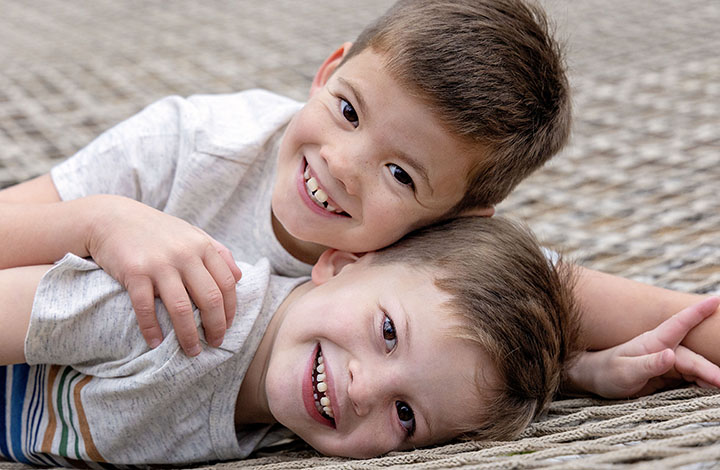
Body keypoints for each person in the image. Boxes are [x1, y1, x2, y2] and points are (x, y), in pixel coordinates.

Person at [0, 0, 716, 394]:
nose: (343, 167)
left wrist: (572, 369)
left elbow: (675, 319)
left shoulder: (436, 263)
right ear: (328, 70)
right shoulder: (193, 143)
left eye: (401, 175)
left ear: (458, 217)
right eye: (348, 111)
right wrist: (101, 223)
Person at [1, 217, 581, 466]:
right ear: (342, 264)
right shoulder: (172, 314)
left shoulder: (280, 422)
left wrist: (585, 370)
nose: (364, 388)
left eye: (406, 416)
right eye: (387, 332)